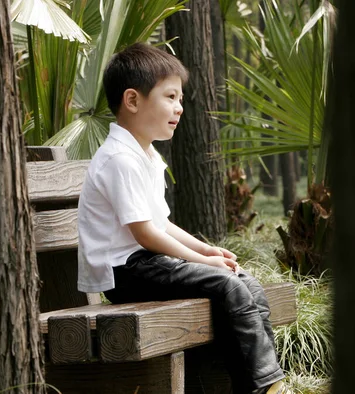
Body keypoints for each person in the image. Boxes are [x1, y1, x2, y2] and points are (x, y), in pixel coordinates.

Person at [77, 42, 290, 394]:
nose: (179, 107)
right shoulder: (119, 158)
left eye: (180, 99)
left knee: (244, 281)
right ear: (132, 101)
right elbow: (145, 234)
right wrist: (200, 259)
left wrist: (208, 251)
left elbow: (161, 222)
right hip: (124, 271)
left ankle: (264, 379)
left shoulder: (145, 155)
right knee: (226, 284)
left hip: (146, 263)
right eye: (170, 97)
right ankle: (265, 386)